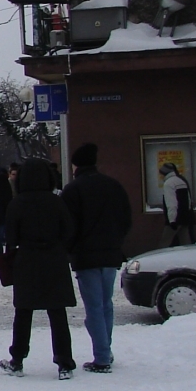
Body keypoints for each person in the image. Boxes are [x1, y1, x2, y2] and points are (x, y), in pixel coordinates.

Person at [0, 157, 77, 379]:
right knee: (57, 312)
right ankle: (64, 363)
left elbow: (10, 237)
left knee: (23, 312)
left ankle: (17, 359)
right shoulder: (56, 201)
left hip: (27, 260)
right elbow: (68, 231)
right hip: (54, 259)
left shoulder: (17, 203)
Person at [62, 143, 133, 373]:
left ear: (76, 165)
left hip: (86, 256)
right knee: (106, 304)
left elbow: (68, 226)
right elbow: (126, 219)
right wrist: (116, 241)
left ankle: (101, 356)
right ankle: (106, 350)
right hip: (110, 253)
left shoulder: (73, 190)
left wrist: (70, 249)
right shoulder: (113, 186)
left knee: (93, 307)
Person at [158, 163, 195, 247]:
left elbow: (172, 203)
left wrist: (172, 220)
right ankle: (189, 258)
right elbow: (188, 200)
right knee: (186, 243)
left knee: (164, 243)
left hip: (175, 218)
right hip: (185, 217)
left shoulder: (168, 183)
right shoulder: (181, 180)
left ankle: (161, 259)